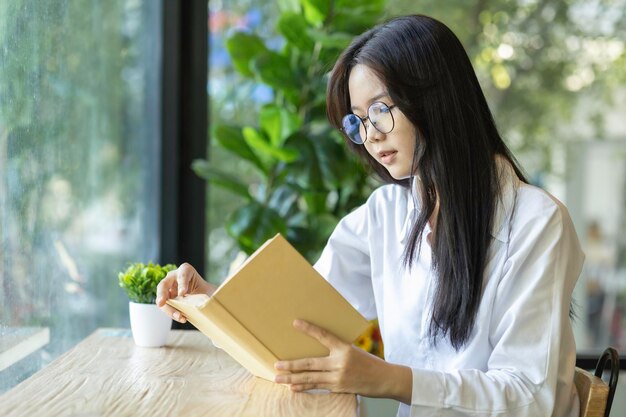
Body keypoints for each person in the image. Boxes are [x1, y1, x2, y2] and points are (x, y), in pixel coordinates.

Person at [157, 14, 584, 417]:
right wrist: (207, 301)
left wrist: (391, 380)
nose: (370, 136)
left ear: (436, 98)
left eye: (380, 110)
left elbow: (533, 397)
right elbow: (297, 323)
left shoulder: (536, 222)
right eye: (358, 121)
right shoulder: (385, 214)